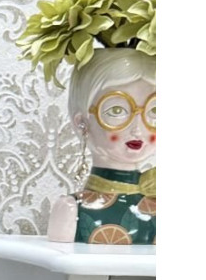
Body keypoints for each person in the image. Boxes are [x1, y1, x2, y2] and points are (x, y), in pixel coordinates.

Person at [47, 47, 156, 244]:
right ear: (82, 123)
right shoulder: (72, 210)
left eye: (154, 110)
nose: (138, 129)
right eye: (117, 110)